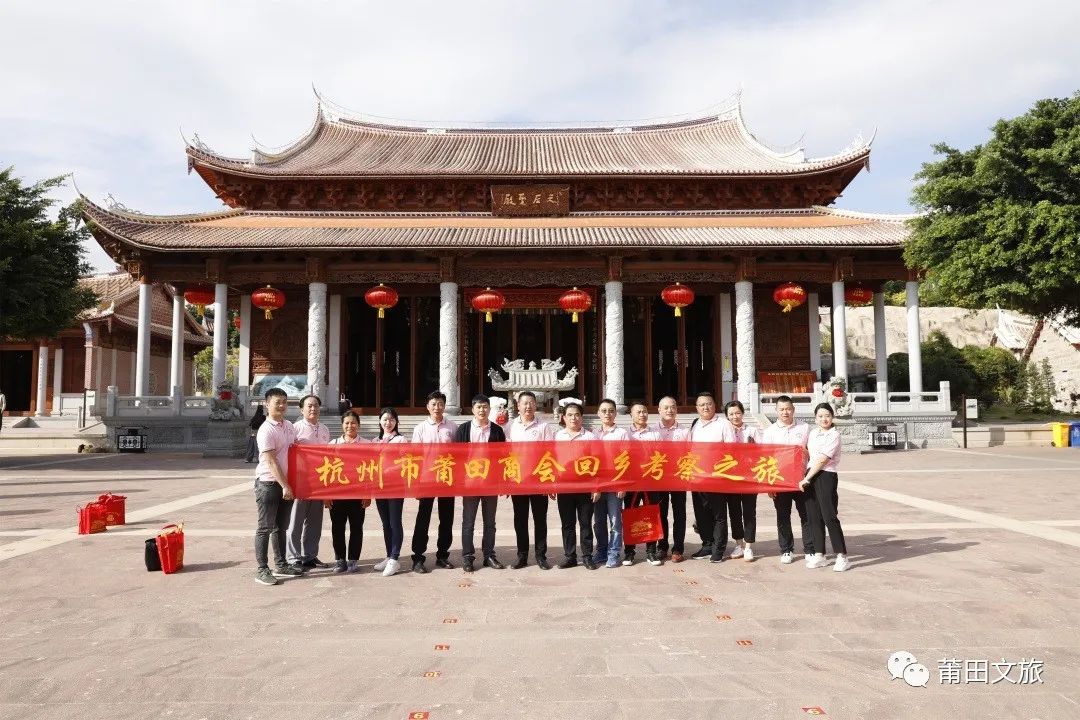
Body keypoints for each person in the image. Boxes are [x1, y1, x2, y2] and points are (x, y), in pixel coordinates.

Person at [252, 387, 302, 586]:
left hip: (286, 484)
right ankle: (262, 569)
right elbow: (271, 462)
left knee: (281, 527)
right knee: (265, 527)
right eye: (277, 402)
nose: (281, 405)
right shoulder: (266, 429)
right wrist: (285, 485)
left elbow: (298, 449)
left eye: (284, 401)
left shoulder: (289, 425)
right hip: (269, 484)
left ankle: (281, 564)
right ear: (267, 404)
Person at [761, 395, 814, 565]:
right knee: (783, 516)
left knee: (806, 515)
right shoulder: (770, 432)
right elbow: (765, 458)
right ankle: (786, 549)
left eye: (788, 409)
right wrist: (769, 485)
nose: (785, 412)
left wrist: (808, 453)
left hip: (802, 480)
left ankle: (810, 549)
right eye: (782, 409)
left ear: (793, 410)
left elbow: (814, 452)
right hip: (780, 481)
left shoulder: (805, 428)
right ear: (776, 411)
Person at [455, 394, 506, 572]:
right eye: (479, 407)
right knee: (468, 521)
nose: (482, 410)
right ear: (473, 409)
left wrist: (502, 482)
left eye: (485, 407)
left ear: (489, 409)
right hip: (470, 483)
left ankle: (489, 555)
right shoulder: (463, 429)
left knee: (490, 522)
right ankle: (467, 557)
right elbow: (455, 457)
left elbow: (502, 458)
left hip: (490, 483)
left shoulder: (498, 431)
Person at [410, 391, 457, 573]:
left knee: (446, 519)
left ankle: (443, 555)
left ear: (444, 406)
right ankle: (418, 557)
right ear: (428, 406)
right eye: (434, 404)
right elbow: (415, 456)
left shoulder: (452, 427)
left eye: (440, 404)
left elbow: (458, 455)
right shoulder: (420, 428)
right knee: (423, 518)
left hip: (447, 479)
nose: (437, 407)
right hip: (427, 480)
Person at [800, 403, 850, 571]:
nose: (824, 419)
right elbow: (806, 452)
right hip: (810, 476)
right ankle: (819, 554)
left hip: (826, 475)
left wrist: (806, 478)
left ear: (832, 416)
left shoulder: (834, 435)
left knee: (829, 516)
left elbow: (822, 459)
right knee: (814, 517)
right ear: (815, 418)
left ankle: (842, 556)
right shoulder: (813, 433)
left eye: (827, 415)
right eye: (820, 416)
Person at [507, 391, 553, 570]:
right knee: (520, 519)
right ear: (517, 406)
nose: (528, 406)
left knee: (540, 519)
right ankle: (522, 556)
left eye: (531, 403)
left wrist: (549, 483)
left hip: (539, 480)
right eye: (524, 403)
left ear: (536, 405)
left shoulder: (544, 427)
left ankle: (541, 556)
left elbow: (550, 455)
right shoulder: (510, 427)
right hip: (519, 480)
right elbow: (506, 455)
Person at [287, 394, 332, 570]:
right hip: (299, 482)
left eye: (316, 406)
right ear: (301, 409)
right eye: (309, 406)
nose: (313, 409)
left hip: (317, 482)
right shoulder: (294, 428)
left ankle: (310, 556)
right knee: (295, 521)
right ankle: (293, 558)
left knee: (314, 522)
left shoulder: (324, 429)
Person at [554, 402, 597, 569]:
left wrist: (596, 486)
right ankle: (570, 556)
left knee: (586, 522)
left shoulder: (590, 437)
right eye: (570, 415)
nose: (574, 418)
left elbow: (597, 463)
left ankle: (587, 556)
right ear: (563, 417)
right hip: (565, 486)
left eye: (577, 414)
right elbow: (552, 461)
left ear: (582, 417)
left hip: (585, 486)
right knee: (567, 523)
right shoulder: (558, 437)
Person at [689, 391, 730, 560]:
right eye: (702, 405)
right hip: (697, 477)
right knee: (701, 512)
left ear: (715, 405)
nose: (705, 407)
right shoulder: (695, 423)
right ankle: (707, 544)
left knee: (718, 514)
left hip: (717, 477)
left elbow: (731, 450)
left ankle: (718, 549)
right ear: (697, 408)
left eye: (709, 404)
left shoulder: (723, 424)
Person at [328, 412, 370, 573]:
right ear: (342, 425)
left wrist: (368, 494)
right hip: (337, 494)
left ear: (358, 425)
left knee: (356, 527)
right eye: (346, 423)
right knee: (337, 528)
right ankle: (340, 560)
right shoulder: (333, 444)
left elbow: (370, 472)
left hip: (358, 495)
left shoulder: (366, 444)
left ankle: (353, 560)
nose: (350, 426)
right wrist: (326, 495)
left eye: (353, 423)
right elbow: (327, 472)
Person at [624, 402, 663, 566]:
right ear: (631, 415)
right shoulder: (625, 434)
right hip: (632, 482)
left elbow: (661, 456)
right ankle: (629, 552)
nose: (642, 414)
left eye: (645, 411)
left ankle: (651, 551)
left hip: (650, 482)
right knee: (630, 515)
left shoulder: (655, 433)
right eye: (638, 412)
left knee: (651, 515)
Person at [590, 398, 628, 569]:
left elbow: (627, 460)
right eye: (604, 411)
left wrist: (623, 484)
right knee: (598, 522)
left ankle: (614, 553)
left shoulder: (622, 433)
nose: (607, 414)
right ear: (598, 413)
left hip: (615, 484)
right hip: (598, 485)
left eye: (611, 410)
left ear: (615, 413)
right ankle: (601, 551)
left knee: (615, 522)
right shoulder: (592, 434)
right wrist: (593, 486)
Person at [721, 400, 758, 562]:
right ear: (726, 416)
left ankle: (749, 546)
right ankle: (739, 543)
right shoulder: (723, 430)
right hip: (731, 477)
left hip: (750, 477)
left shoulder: (752, 430)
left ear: (742, 413)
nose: (735, 416)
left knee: (749, 511)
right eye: (731, 414)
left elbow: (762, 451)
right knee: (734, 511)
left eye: (737, 413)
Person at [372, 407, 407, 577]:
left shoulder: (401, 440)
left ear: (396, 422)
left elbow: (405, 462)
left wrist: (388, 469)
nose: (388, 422)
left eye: (392, 419)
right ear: (380, 421)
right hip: (379, 487)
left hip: (395, 486)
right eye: (385, 419)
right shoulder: (374, 441)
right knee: (385, 523)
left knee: (395, 522)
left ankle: (395, 558)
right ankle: (388, 555)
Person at [654, 396, 689, 562]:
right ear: (659, 410)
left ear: (677, 409)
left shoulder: (684, 431)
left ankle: (678, 548)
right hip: (659, 478)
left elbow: (690, 454)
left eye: (673, 407)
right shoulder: (653, 431)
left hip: (678, 478)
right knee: (661, 513)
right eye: (666, 407)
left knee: (679, 514)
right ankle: (662, 546)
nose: (670, 410)